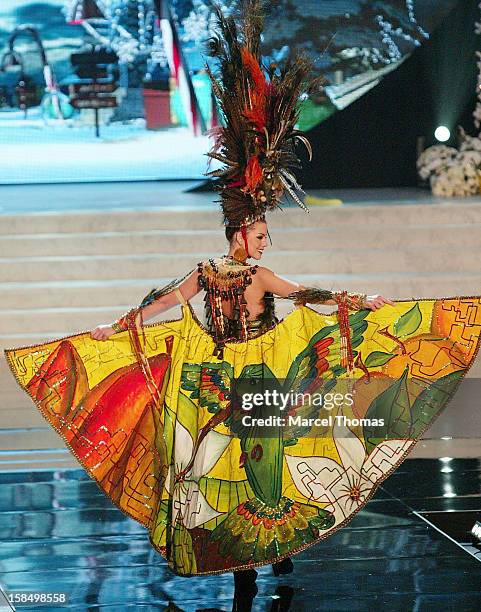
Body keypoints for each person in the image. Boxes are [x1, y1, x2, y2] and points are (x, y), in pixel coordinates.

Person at [5, 0, 481, 603]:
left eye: (264, 235)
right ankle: (239, 557)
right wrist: (117, 327)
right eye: (259, 233)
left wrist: (359, 302)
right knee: (220, 471)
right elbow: (165, 301)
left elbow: (304, 294)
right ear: (240, 231)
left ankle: (267, 551)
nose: (263, 241)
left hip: (258, 376)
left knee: (266, 468)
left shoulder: (255, 274)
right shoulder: (212, 272)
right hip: (219, 380)